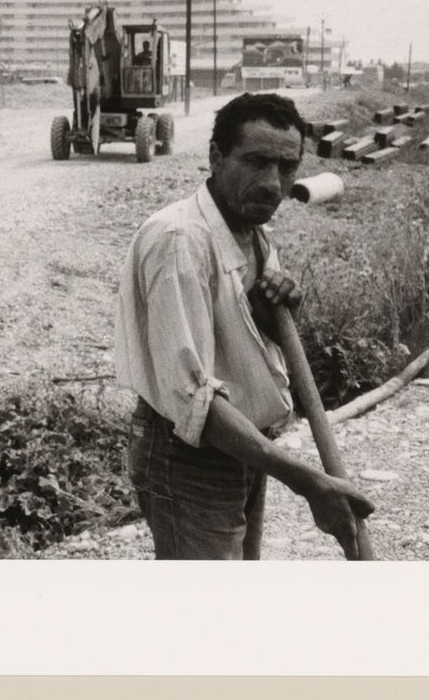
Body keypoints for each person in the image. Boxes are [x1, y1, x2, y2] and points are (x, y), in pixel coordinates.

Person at [113, 91, 375, 559]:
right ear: (215, 156)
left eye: (287, 166)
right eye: (256, 162)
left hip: (245, 451)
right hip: (189, 458)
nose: (274, 183)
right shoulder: (180, 241)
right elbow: (196, 402)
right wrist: (308, 481)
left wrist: (276, 310)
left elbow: (248, 342)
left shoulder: (253, 232)